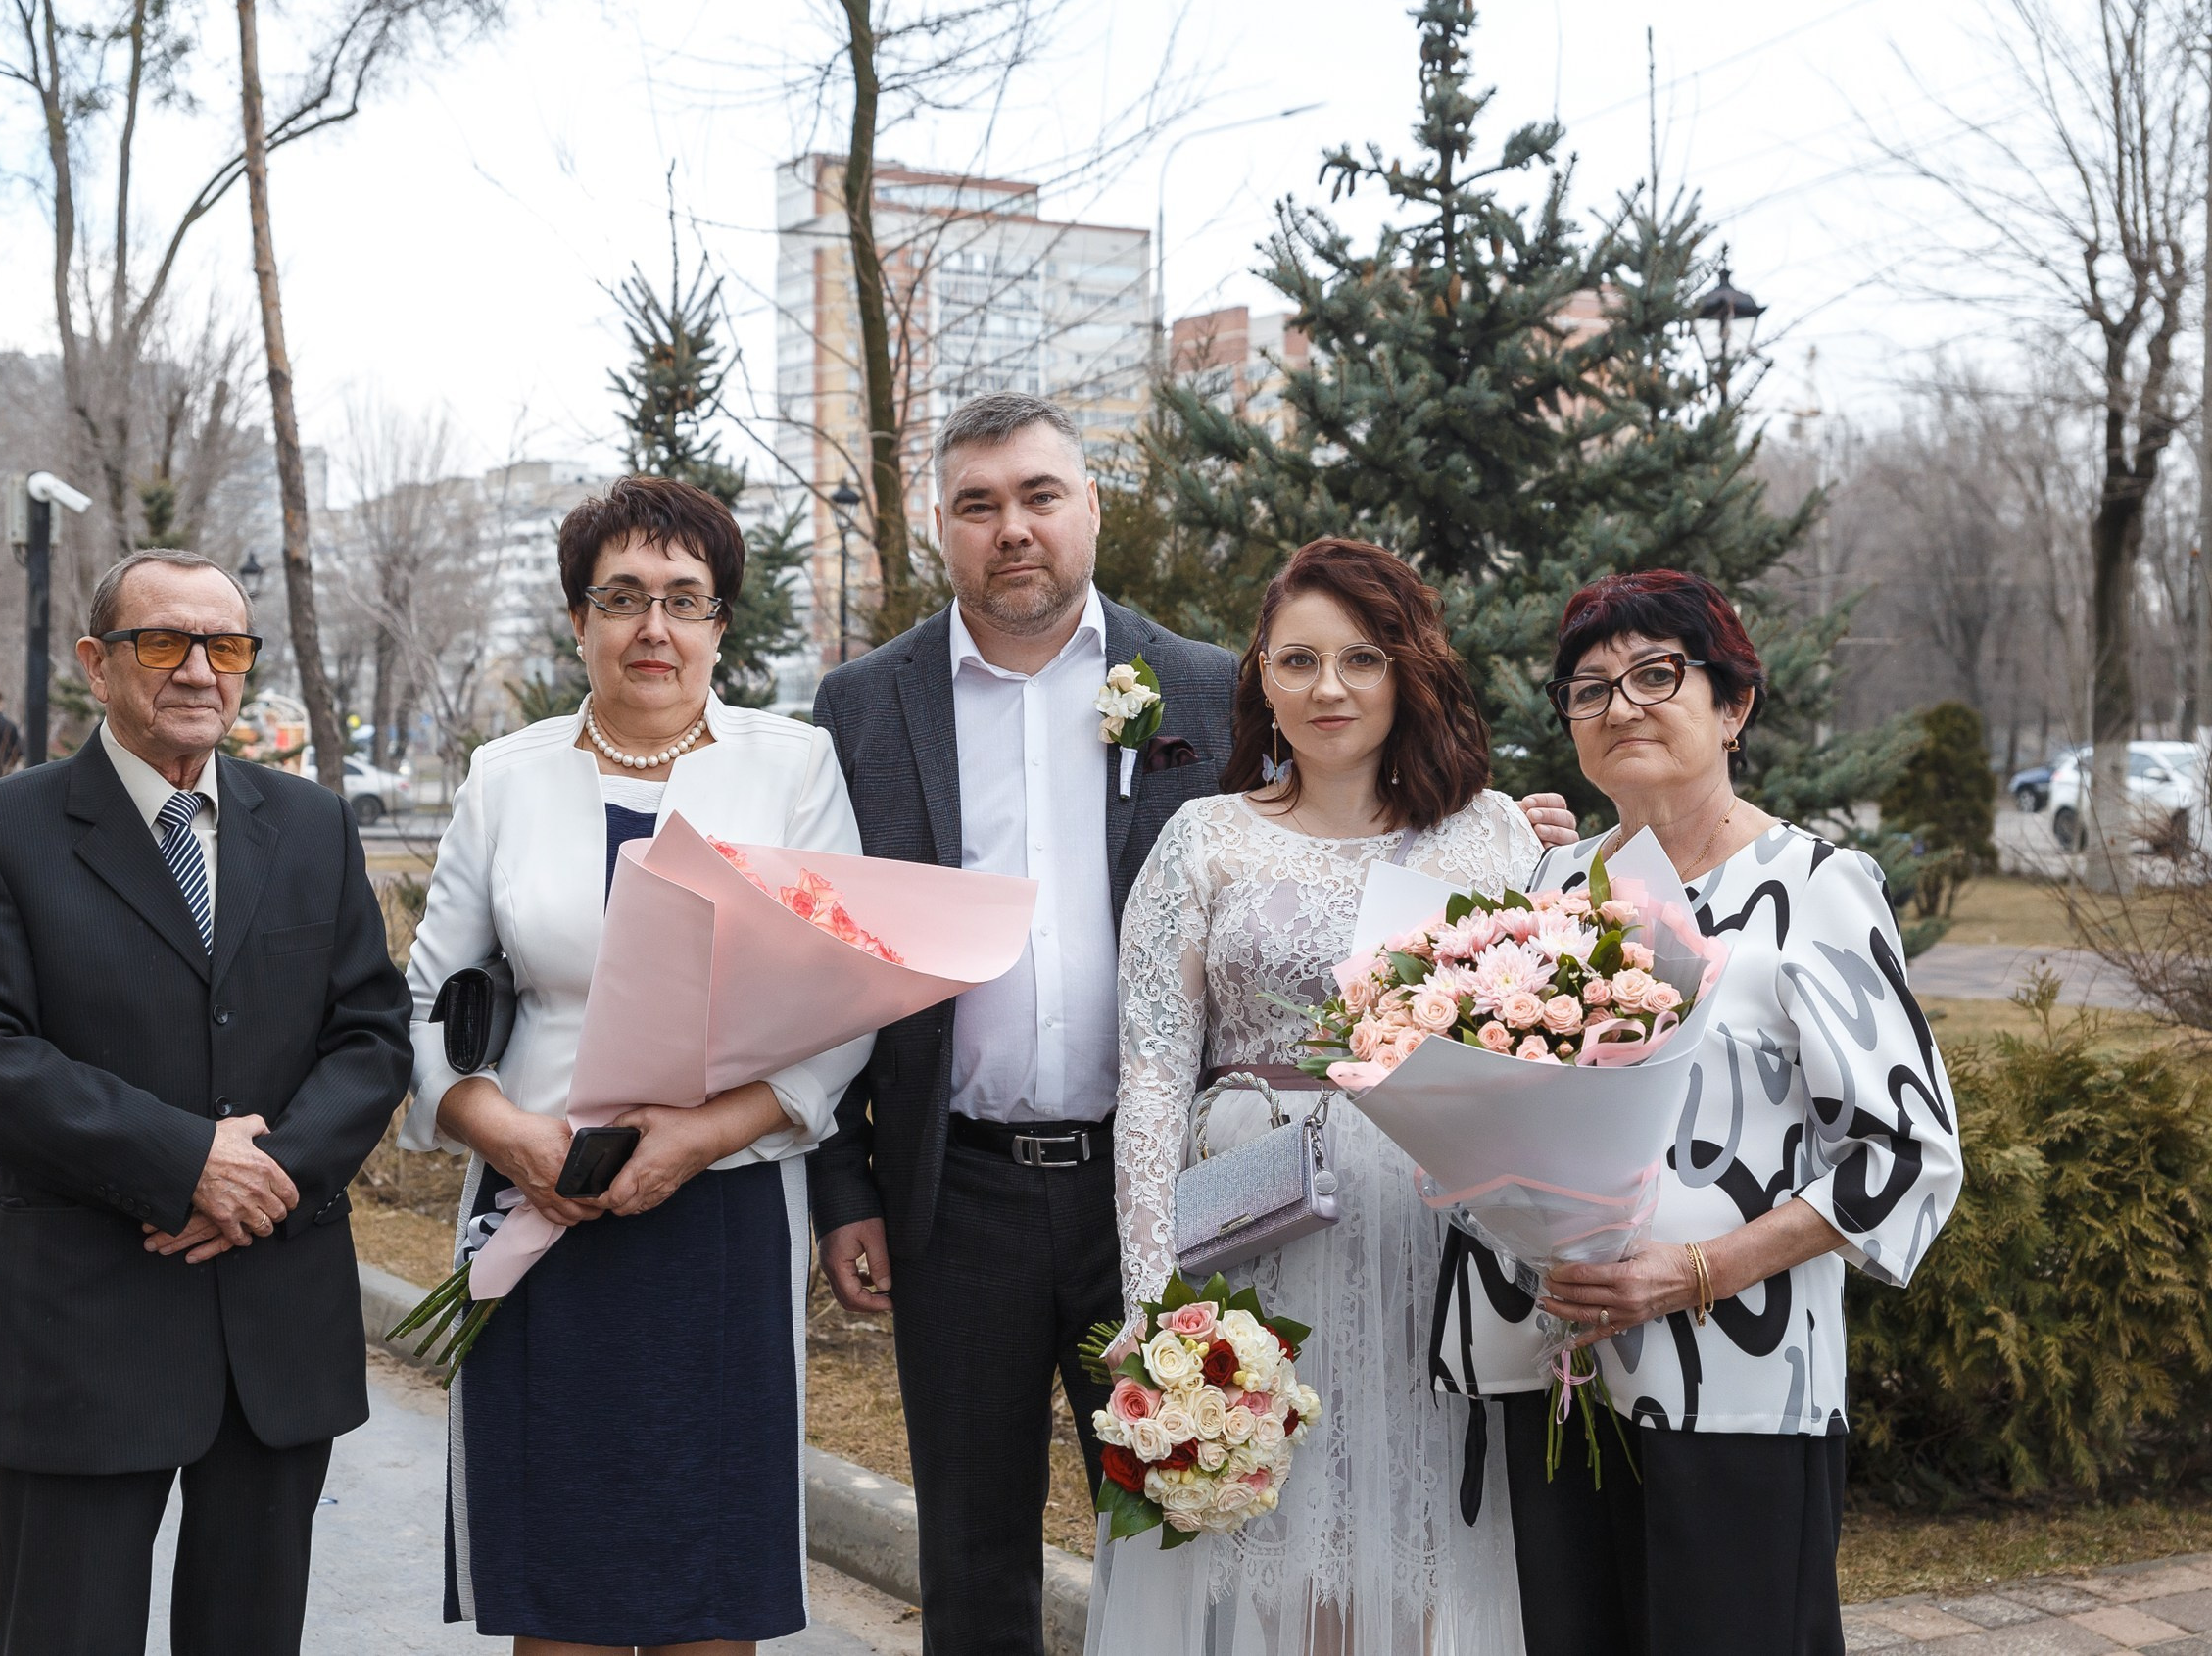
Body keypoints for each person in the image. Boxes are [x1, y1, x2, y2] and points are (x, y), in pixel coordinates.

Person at [811, 394, 1581, 1653]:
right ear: (937, 526)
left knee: (1214, 1512)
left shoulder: (1201, 682)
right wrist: (846, 1182)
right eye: (979, 504)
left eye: (1040, 496)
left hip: (1210, 1189)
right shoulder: (860, 707)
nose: (1014, 529)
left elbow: (1367, 825)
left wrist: (1531, 844)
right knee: (972, 1547)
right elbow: (836, 960)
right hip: (960, 1190)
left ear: (1091, 507)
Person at [1436, 569, 1965, 1656]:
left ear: (1733, 707)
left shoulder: (1814, 884)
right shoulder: (1552, 886)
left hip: (1738, 1382)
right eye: (1587, 689)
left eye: (1654, 674)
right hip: (1559, 1372)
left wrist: (1696, 1271)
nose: (1619, 704)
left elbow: (1908, 1155)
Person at [399, 475, 874, 1654]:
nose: (652, 628)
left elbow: (846, 994)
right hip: (534, 1203)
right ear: (578, 620)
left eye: (683, 599)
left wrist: (705, 1135)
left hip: (720, 1211)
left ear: (721, 622)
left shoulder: (793, 770)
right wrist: (498, 1129)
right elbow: (425, 999)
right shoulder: (505, 777)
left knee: (710, 1572)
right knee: (558, 1575)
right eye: (621, 598)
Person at [0, 548, 412, 1656]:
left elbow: (371, 1037)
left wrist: (260, 1180)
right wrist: (186, 1160)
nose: (198, 670)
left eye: (224, 646)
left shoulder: (315, 826)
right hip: (91, 1334)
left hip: (275, 1332)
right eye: (162, 642)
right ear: (98, 663)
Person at [1096, 537, 1536, 1656]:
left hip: (1433, 1228)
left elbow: (1537, 1051)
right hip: (1251, 1231)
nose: (1328, 688)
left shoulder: (1489, 833)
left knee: (1431, 1523)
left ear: (1407, 670)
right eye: (1297, 662)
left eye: (1360, 658)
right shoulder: (1204, 839)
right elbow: (1149, 1079)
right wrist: (1153, 1302)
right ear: (1260, 677)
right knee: (1271, 1543)